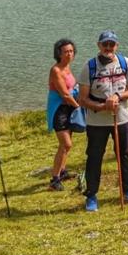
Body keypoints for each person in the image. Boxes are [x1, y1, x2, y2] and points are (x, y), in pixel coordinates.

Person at [77, 30, 128, 211]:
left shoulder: (124, 62)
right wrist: (100, 107)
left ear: (116, 46)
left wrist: (118, 96)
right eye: (105, 44)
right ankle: (91, 195)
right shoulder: (89, 67)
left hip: (122, 119)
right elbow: (82, 99)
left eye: (111, 44)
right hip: (97, 122)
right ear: (99, 45)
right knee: (95, 157)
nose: (108, 48)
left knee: (124, 155)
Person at [47, 38, 80, 191]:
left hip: (69, 108)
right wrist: (80, 107)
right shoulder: (56, 70)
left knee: (67, 145)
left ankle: (62, 172)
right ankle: (54, 179)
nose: (69, 54)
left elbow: (72, 87)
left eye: (71, 51)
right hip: (59, 109)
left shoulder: (67, 68)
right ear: (58, 53)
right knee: (66, 144)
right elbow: (65, 94)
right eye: (66, 51)